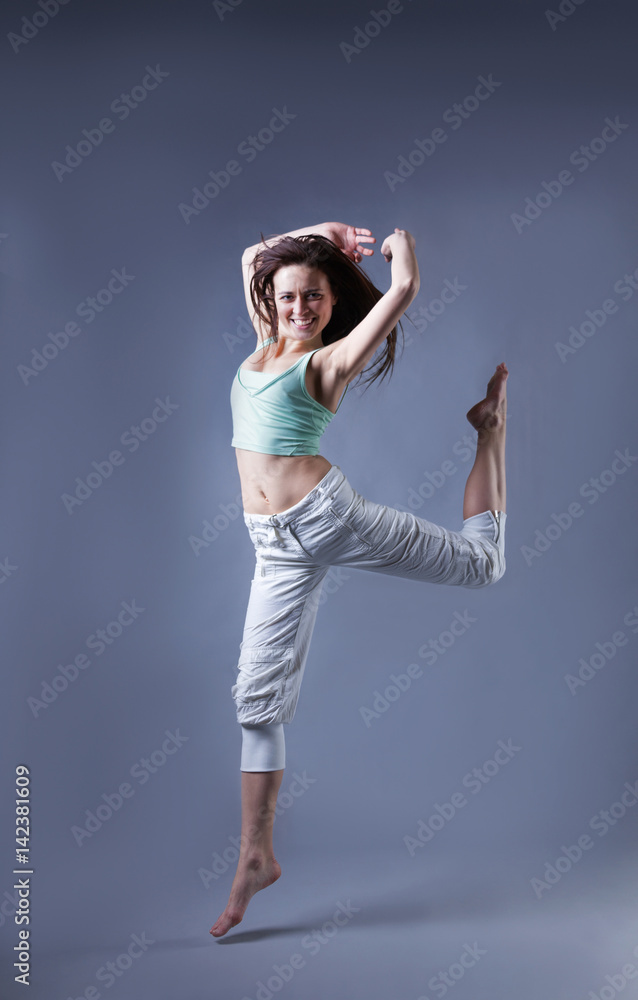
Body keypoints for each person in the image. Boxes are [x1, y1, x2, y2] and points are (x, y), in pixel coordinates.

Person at [211, 221, 508, 938]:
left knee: (482, 566)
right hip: (273, 547)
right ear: (272, 301)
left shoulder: (326, 363)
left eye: (313, 297)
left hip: (325, 519)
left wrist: (400, 259)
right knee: (256, 703)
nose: (299, 308)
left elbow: (402, 288)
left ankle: (490, 431)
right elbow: (254, 256)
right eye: (289, 297)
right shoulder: (261, 341)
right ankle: (257, 855)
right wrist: (323, 231)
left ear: (328, 304)